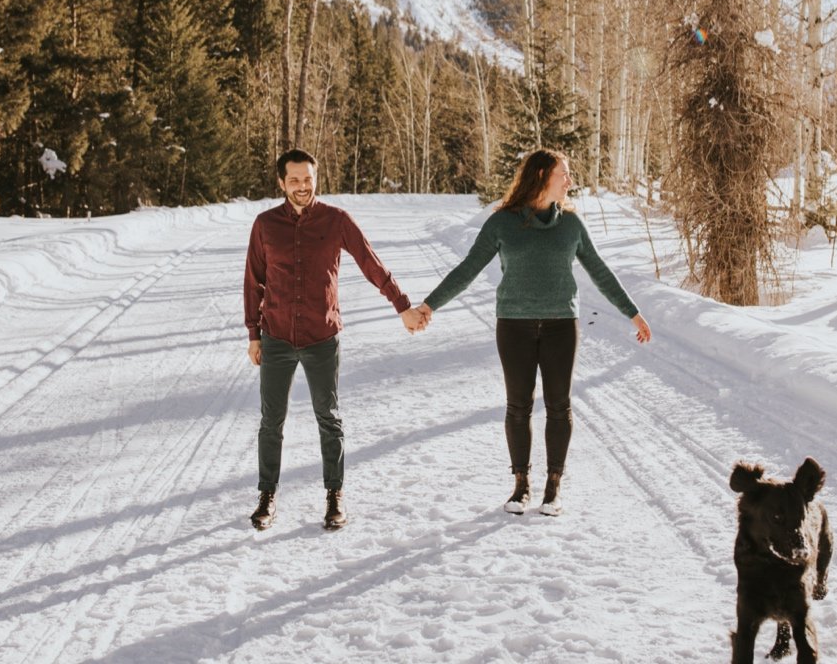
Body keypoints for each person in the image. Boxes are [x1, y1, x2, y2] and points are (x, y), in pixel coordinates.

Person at [405, 149, 651, 516]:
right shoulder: (502, 223)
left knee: (558, 405)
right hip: (514, 326)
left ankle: (553, 487)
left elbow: (600, 271)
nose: (569, 180)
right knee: (518, 406)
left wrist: (633, 313)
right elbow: (468, 269)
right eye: (563, 174)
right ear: (541, 176)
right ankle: (521, 485)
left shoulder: (571, 225)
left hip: (561, 326)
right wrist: (429, 306)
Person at [243, 148, 416, 532]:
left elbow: (370, 262)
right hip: (276, 336)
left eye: (307, 179)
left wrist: (401, 305)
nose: (302, 187)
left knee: (329, 418)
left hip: (322, 335)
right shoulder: (265, 225)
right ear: (281, 183)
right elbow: (253, 280)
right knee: (271, 421)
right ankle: (267, 496)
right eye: (294, 180)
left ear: (316, 179)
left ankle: (335, 496)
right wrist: (254, 335)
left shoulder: (336, 220)